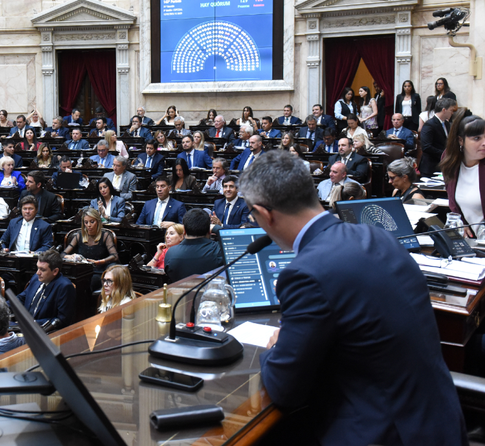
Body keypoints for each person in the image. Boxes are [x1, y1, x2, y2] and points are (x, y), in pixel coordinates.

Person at [237, 149, 467, 446]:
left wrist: (276, 346)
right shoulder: (378, 237)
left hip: (383, 434)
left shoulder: (305, 273)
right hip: (441, 422)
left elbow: (284, 388)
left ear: (265, 214)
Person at [441, 114, 485, 238]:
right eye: (477, 138)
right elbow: (452, 199)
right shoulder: (451, 162)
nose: (484, 143)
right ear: (461, 140)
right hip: (473, 241)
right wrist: (461, 222)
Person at [15, 250, 75, 327]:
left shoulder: (65, 287)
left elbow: (62, 320)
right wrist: (2, 306)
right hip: (23, 326)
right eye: (38, 268)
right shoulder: (36, 278)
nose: (38, 273)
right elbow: (22, 297)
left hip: (44, 332)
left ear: (55, 271)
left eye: (42, 270)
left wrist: (33, 323)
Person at [63, 208, 119, 290]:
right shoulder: (79, 235)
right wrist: (69, 257)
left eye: (92, 222)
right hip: (83, 272)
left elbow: (114, 256)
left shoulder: (105, 235)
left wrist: (99, 262)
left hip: (100, 271)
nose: (89, 225)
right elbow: (63, 254)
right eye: (86, 222)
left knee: (93, 280)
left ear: (98, 222)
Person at [165, 209, 223, 283]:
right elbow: (236, 241)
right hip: (209, 293)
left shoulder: (171, 253)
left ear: (184, 231)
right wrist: (216, 227)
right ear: (209, 231)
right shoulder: (218, 250)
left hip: (181, 293)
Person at [420, 97, 458, 178]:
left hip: (443, 166)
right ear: (444, 110)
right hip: (431, 167)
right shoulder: (429, 124)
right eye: (451, 110)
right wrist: (445, 154)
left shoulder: (447, 124)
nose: (452, 113)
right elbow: (426, 147)